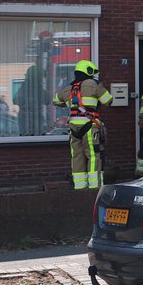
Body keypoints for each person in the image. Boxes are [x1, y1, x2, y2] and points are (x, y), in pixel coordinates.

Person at [52, 59, 113, 190]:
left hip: (74, 128)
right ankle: (95, 188)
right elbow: (108, 100)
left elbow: (55, 100)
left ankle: (80, 187)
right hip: (90, 126)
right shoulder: (94, 84)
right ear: (88, 72)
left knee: (77, 157)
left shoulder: (68, 88)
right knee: (93, 156)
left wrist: (68, 103)